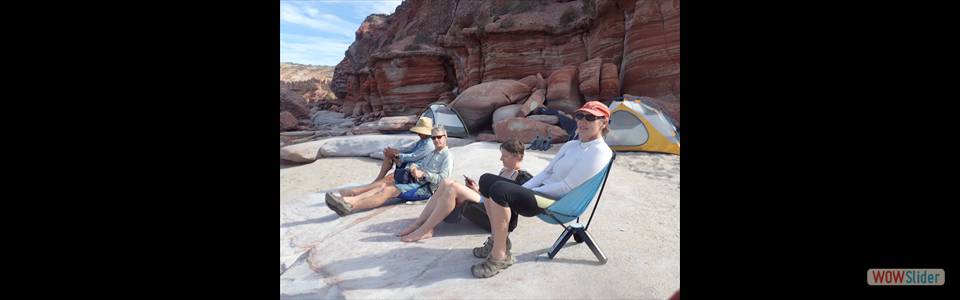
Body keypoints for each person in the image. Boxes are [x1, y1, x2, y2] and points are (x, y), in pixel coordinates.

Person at [470, 101, 614, 278]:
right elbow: (546, 172)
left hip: (558, 203)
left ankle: (500, 256)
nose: (583, 121)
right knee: (486, 180)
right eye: (580, 116)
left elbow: (566, 187)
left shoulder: (599, 151)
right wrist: (523, 188)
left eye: (590, 117)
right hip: (542, 193)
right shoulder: (571, 145)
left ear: (604, 122)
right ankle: (497, 240)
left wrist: (528, 193)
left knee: (500, 189)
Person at [395, 139, 532, 242]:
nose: (501, 159)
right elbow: (495, 195)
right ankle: (420, 223)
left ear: (516, 156)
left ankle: (425, 230)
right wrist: (476, 189)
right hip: (488, 204)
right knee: (447, 182)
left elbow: (516, 205)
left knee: (453, 188)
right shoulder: (504, 171)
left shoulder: (522, 178)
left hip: (498, 219)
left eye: (505, 156)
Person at [326, 126, 453, 217]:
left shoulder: (447, 156)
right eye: (434, 137)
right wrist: (414, 168)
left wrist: (424, 175)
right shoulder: (432, 152)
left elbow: (443, 180)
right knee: (384, 185)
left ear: (445, 137)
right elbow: (417, 161)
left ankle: (350, 206)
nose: (436, 140)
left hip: (426, 189)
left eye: (439, 137)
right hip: (416, 181)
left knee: (389, 190)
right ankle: (349, 200)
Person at [373, 116, 436, 184]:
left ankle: (380, 180)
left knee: (392, 157)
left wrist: (397, 155)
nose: (418, 134)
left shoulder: (429, 144)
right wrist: (396, 152)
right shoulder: (422, 141)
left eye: (420, 132)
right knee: (389, 155)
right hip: (412, 164)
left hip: (417, 168)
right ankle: (379, 178)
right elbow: (410, 150)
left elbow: (414, 157)